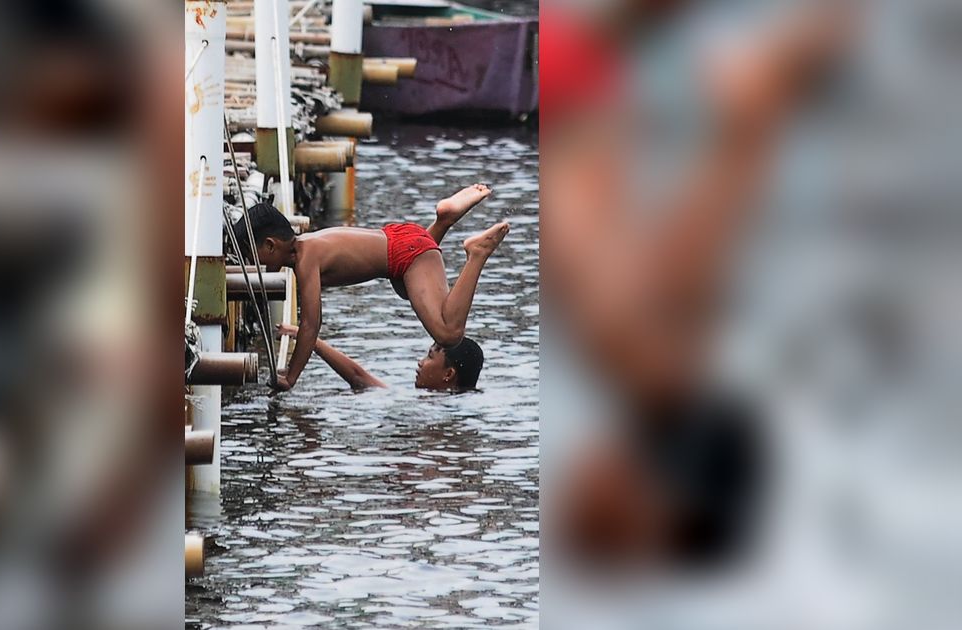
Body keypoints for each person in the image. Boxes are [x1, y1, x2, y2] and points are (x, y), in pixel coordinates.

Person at [542, 1, 856, 568]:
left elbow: (699, 245)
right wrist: (757, 115)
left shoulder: (645, 355)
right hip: (570, 86)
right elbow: (696, 246)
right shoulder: (632, 343)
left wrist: (756, 117)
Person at [232, 184, 507, 391]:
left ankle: (477, 253)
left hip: (408, 253)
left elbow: (311, 324)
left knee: (448, 333)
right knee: (405, 291)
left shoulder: (306, 261)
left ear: (270, 245)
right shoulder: (308, 245)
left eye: (251, 256)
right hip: (403, 240)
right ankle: (443, 220)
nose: (250, 264)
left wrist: (290, 377)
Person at [275, 323, 483, 392]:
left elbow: (359, 378)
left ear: (448, 374)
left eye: (429, 357)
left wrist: (309, 338)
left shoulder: (430, 404)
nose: (420, 362)